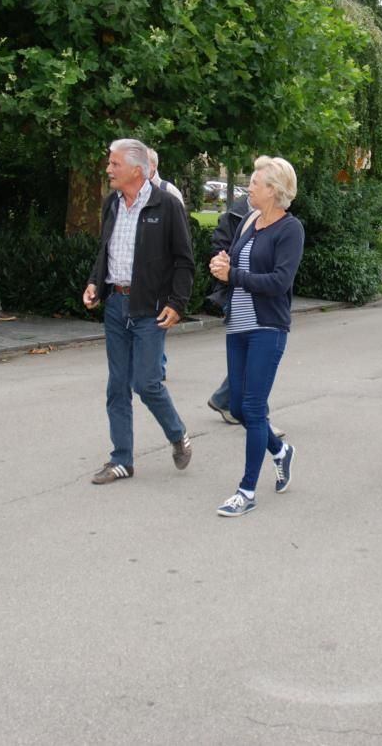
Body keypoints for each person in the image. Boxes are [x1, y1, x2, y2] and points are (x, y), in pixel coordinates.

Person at [82, 138, 195, 484]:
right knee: (117, 385)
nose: (108, 169)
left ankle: (177, 435)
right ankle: (121, 460)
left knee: (146, 383)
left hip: (151, 308)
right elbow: (106, 250)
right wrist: (95, 284)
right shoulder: (111, 204)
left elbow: (184, 261)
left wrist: (177, 304)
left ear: (136, 169)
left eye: (114, 164)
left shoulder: (167, 204)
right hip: (116, 303)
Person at [207, 157, 303, 517]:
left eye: (256, 182)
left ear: (275, 191)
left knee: (253, 407)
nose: (250, 186)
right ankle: (280, 450)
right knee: (236, 407)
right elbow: (235, 262)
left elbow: (280, 282)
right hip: (238, 325)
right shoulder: (249, 220)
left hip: (268, 327)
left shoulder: (290, 229)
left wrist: (234, 276)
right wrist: (222, 265)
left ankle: (246, 491)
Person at [206, 193, 256, 425]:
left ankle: (227, 400)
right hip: (233, 292)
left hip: (257, 293)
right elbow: (218, 252)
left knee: (252, 354)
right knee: (250, 355)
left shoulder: (275, 217)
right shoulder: (232, 218)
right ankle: (237, 405)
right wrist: (227, 264)